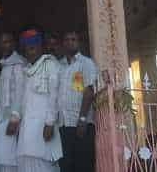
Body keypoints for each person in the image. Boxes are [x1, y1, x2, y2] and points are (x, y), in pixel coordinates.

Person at [17, 28, 62, 171]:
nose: (29, 52)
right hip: (27, 132)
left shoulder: (50, 65)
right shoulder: (26, 70)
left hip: (44, 129)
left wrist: (49, 123)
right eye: (26, 49)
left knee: (44, 165)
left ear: (40, 47)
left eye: (32, 48)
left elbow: (54, 96)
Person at [57, 31, 98, 172]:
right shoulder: (59, 66)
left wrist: (82, 119)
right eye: (67, 39)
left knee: (83, 165)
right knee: (65, 166)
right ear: (63, 43)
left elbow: (89, 91)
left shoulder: (86, 63)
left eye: (73, 39)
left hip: (81, 125)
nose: (70, 42)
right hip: (63, 125)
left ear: (78, 42)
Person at [0, 32, 27, 172]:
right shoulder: (5, 65)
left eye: (9, 41)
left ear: (14, 44)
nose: (6, 45)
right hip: (2, 119)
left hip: (12, 120)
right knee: (3, 160)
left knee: (10, 160)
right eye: (3, 42)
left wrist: (15, 118)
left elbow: (20, 93)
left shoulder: (18, 64)